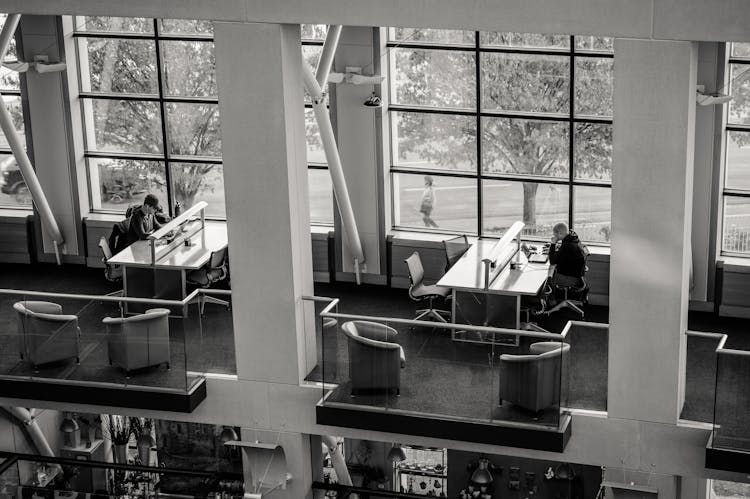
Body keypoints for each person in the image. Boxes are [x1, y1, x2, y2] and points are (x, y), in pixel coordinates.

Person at [548, 222, 587, 286]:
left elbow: (552, 261)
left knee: (548, 280)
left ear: (560, 233)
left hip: (569, 278)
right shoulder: (573, 239)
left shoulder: (567, 246)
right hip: (576, 276)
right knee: (552, 272)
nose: (554, 236)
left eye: (555, 235)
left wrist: (553, 244)